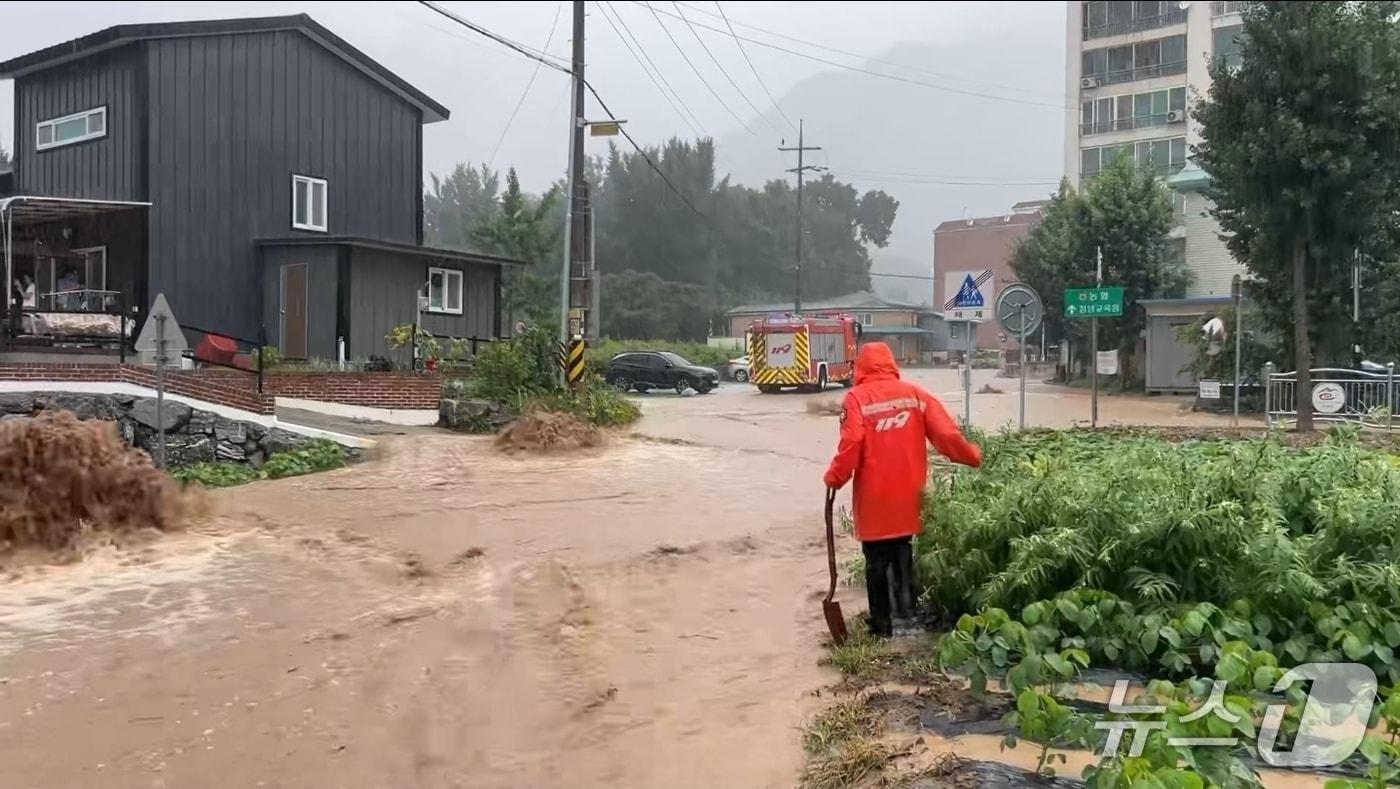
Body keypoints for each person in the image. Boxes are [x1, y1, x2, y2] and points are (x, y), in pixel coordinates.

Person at [823, 342, 983, 638]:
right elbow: (947, 435)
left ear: (861, 367)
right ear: (891, 364)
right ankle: (907, 617)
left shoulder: (856, 399)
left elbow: (851, 445)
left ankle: (882, 626)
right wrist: (975, 457)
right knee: (902, 552)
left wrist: (834, 478)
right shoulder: (916, 396)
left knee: (875, 562)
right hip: (911, 495)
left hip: (874, 498)